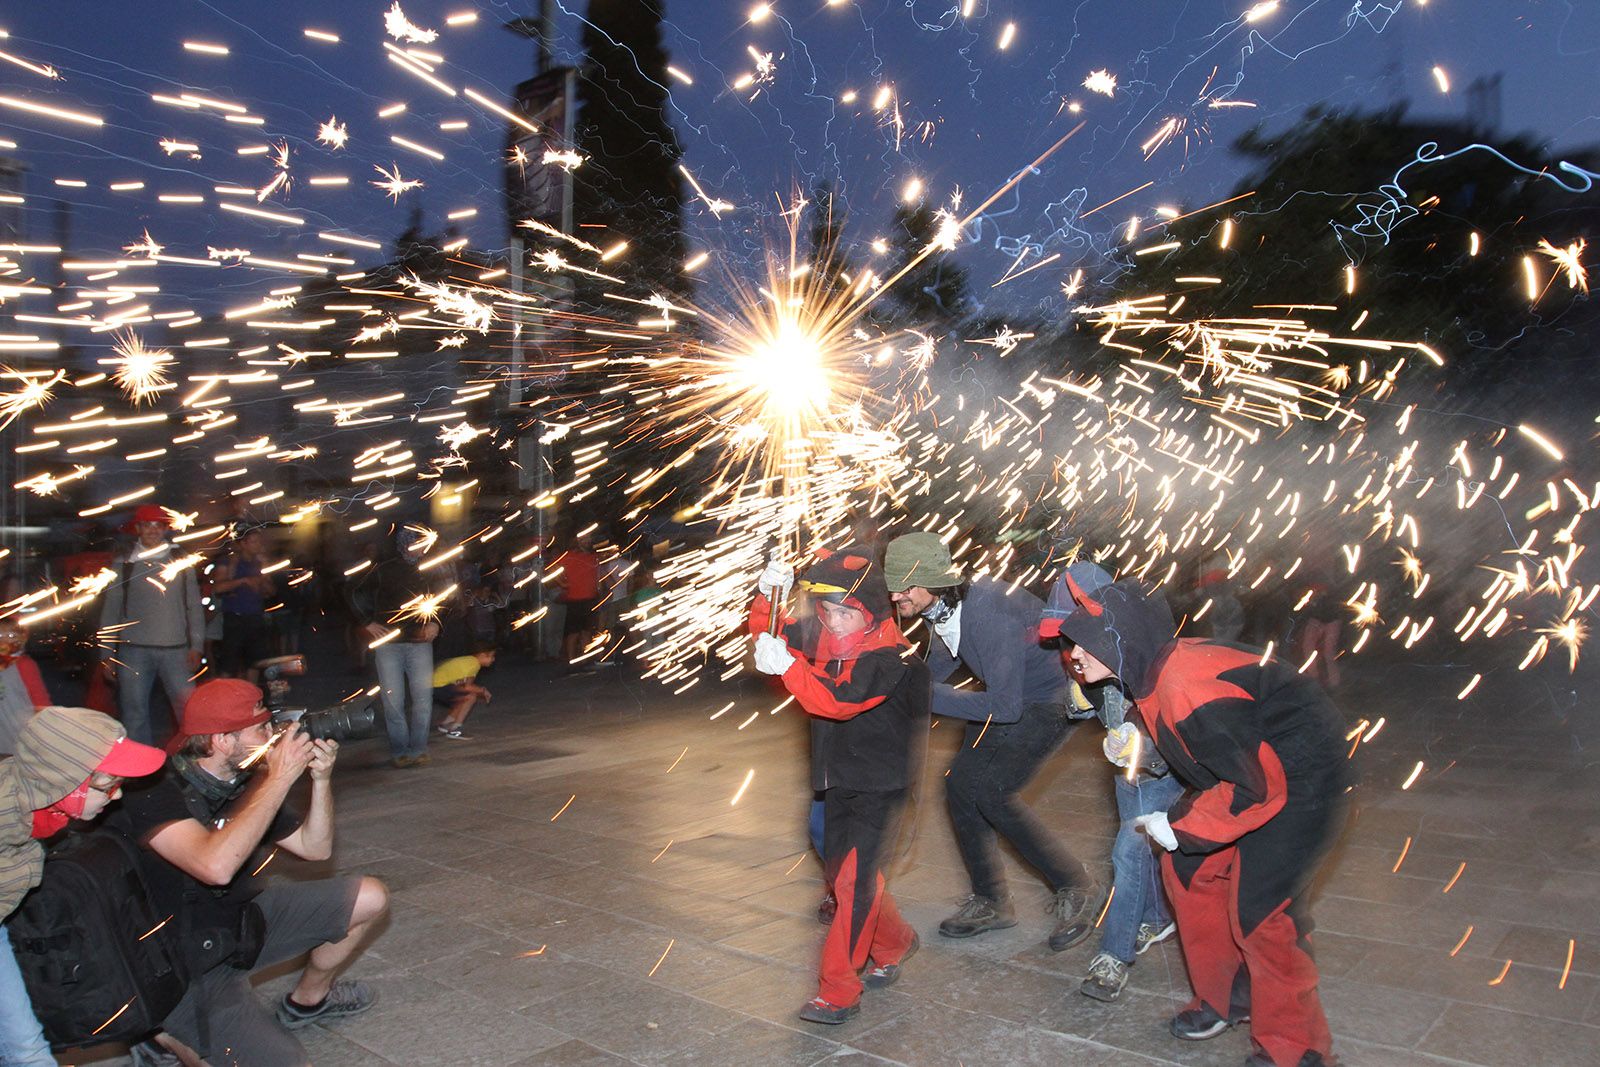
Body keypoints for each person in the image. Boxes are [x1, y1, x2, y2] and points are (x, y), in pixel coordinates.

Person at [1054, 575, 1350, 1067]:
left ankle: (1296, 1048)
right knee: (1186, 870)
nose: (1073, 656)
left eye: (1084, 644)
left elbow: (1255, 788)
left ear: (1121, 641)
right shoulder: (1153, 672)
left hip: (1303, 781)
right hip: (1249, 774)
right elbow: (1199, 752)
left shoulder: (1185, 683)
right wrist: (1143, 751)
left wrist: (1177, 826)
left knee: (1262, 911)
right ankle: (1229, 997)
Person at [113, 679, 389, 1067]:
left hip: (239, 924)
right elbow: (215, 868)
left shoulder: (246, 780)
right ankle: (159, 1037)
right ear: (222, 740)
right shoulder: (155, 791)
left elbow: (316, 849)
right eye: (260, 728)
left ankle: (307, 1003)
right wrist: (278, 779)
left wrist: (320, 781)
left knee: (370, 896)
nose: (273, 735)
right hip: (181, 961)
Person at [882, 532, 1099, 952]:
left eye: (904, 587)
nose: (895, 596)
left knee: (992, 793)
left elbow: (1005, 708)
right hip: (1014, 696)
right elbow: (949, 651)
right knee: (960, 786)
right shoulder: (943, 605)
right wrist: (911, 683)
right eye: (892, 585)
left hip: (1049, 701)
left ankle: (1076, 885)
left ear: (931, 581)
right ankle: (991, 901)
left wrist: (924, 696)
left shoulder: (987, 613)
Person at [750, 545, 929, 1026]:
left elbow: (838, 700)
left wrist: (788, 668)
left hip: (879, 786)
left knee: (853, 882)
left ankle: (838, 988)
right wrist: (770, 593)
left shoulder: (892, 658)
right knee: (848, 876)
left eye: (845, 613)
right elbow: (772, 634)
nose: (832, 622)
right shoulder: (831, 634)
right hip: (836, 782)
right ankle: (894, 941)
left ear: (870, 612)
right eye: (826, 611)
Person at [1039, 563, 1179, 1003]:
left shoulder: (1150, 649)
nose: (1071, 648)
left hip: (1163, 766)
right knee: (1137, 852)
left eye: (1077, 632)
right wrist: (1081, 698)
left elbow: (1180, 734)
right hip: (1127, 770)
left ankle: (1113, 956)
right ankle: (1155, 918)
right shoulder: (1083, 644)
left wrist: (1145, 746)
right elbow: (1082, 702)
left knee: (1127, 848)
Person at [0, 706, 166, 1066]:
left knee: (26, 1050)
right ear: (65, 784)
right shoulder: (8, 815)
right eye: (109, 785)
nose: (118, 796)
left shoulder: (37, 804)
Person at [99, 504, 205, 745]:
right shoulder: (124, 564)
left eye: (158, 525)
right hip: (133, 651)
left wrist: (196, 645)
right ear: (138, 529)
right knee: (134, 715)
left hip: (176, 651)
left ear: (166, 529)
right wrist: (106, 654)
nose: (153, 531)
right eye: (147, 525)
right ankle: (140, 771)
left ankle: (193, 765)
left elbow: (194, 605)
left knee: (190, 713)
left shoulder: (180, 561)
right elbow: (111, 610)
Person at [348, 526, 444, 768]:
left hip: (420, 643)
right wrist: (367, 622)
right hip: (389, 645)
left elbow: (442, 599)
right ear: (406, 543)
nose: (425, 547)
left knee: (423, 698)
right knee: (394, 700)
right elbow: (353, 592)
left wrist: (435, 623)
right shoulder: (384, 569)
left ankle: (419, 747)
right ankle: (400, 749)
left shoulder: (430, 569)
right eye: (419, 542)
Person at [211, 526, 274, 681]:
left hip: (255, 617)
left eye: (259, 541)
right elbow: (218, 588)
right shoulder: (228, 562)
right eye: (254, 542)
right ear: (243, 544)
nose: (258, 545)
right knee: (229, 664)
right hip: (235, 618)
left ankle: (252, 699)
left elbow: (272, 592)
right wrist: (243, 581)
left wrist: (263, 578)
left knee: (254, 663)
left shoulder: (259, 564)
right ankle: (225, 700)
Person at [0, 620, 51, 755]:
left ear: (22, 639)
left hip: (22, 738)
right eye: (0, 635)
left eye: (11, 635)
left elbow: (41, 703)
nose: (4, 640)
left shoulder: (24, 665)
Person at [553, 531, 600, 669]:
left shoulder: (593, 557)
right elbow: (552, 568)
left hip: (590, 599)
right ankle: (572, 659)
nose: (586, 541)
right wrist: (562, 583)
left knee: (586, 631)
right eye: (583, 538)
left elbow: (596, 576)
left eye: (588, 538)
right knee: (573, 632)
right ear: (577, 540)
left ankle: (585, 659)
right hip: (575, 600)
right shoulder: (569, 556)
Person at [431, 645, 495, 739]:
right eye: (491, 656)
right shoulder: (474, 664)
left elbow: (462, 685)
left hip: (432, 684)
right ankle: (455, 729)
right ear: (482, 655)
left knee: (461, 696)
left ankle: (446, 724)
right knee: (470, 697)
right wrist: (483, 691)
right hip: (436, 685)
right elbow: (468, 686)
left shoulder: (469, 660)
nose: (493, 659)